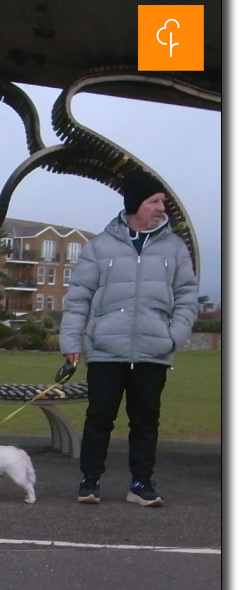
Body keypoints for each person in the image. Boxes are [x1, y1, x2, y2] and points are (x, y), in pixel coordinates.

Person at [60, 169, 198, 507]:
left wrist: (173, 337)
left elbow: (187, 297)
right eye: (153, 201)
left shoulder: (175, 248)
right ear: (136, 204)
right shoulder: (100, 246)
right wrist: (71, 343)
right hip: (107, 349)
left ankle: (140, 485)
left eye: (161, 201)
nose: (160, 207)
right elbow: (79, 297)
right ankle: (89, 482)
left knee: (146, 422)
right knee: (99, 419)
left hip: (154, 351)